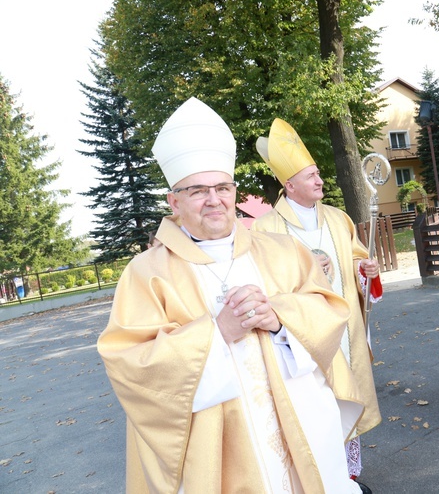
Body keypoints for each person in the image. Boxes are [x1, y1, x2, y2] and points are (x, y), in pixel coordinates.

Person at [97, 97, 370, 493]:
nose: (214, 199)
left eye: (222, 187)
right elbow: (130, 363)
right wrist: (215, 333)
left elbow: (328, 310)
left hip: (303, 419)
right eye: (197, 191)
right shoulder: (146, 274)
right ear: (174, 202)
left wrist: (280, 319)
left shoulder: (280, 249)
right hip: (220, 441)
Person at [253, 118, 382, 481]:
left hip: (344, 329)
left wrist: (363, 271)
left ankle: (349, 477)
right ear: (289, 184)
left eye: (319, 174)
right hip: (302, 337)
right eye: (311, 176)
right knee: (316, 404)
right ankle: (322, 475)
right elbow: (265, 282)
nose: (320, 180)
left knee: (346, 396)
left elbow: (355, 257)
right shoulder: (266, 229)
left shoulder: (338, 218)